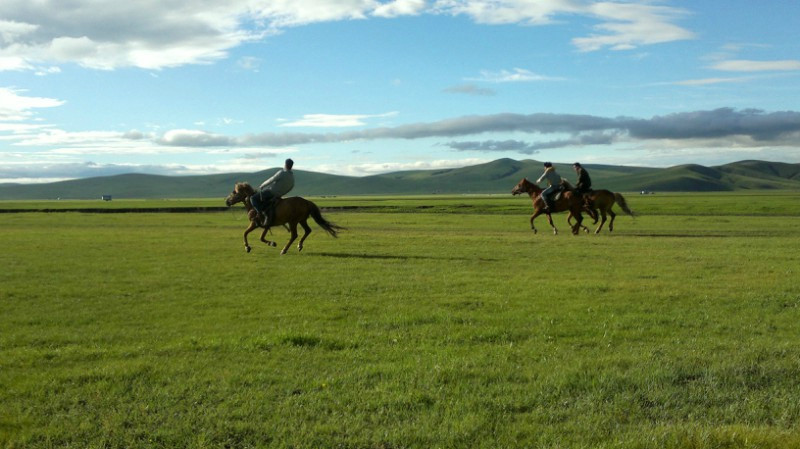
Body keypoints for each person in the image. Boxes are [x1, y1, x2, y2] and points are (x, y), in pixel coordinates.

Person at [252, 158, 294, 226]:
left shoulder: (282, 172)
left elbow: (272, 179)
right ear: (291, 166)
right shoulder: (292, 177)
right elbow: (291, 187)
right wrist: (281, 194)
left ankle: (259, 214)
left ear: (285, 164)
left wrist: (262, 185)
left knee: (253, 198)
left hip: (271, 192)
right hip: (278, 195)